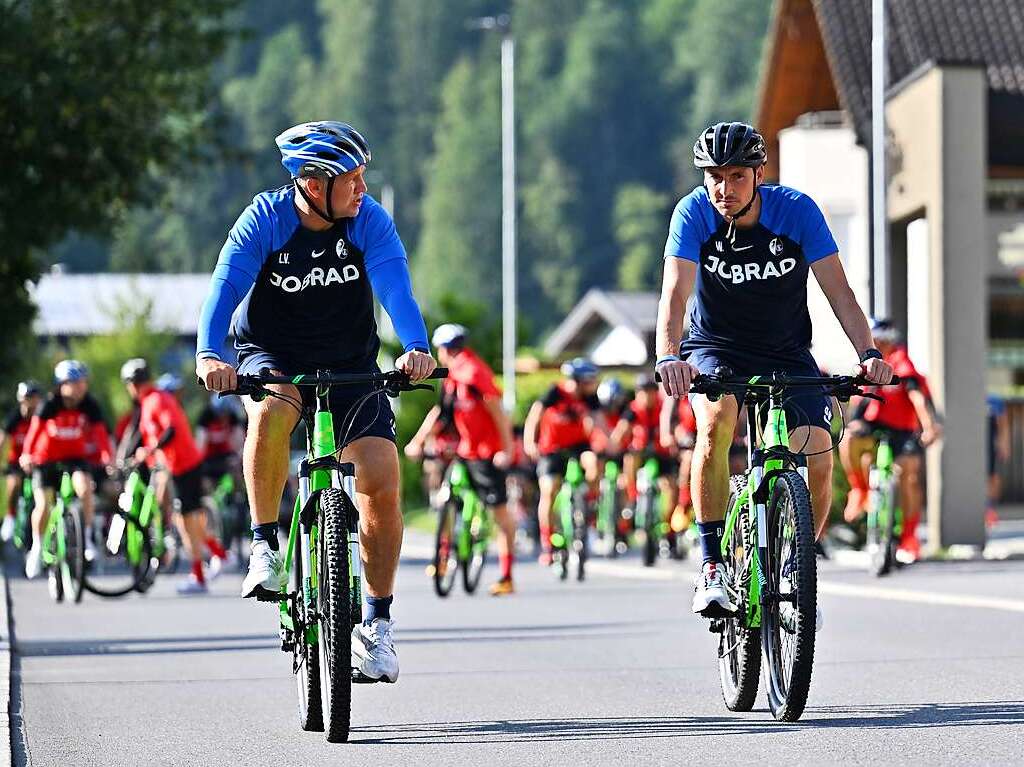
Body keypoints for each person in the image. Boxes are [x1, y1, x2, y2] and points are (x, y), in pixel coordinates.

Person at [194, 121, 435, 683]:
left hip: (350, 361)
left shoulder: (369, 222)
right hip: (274, 354)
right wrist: (210, 354)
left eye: (363, 175)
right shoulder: (265, 219)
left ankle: (375, 626)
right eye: (350, 178)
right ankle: (265, 545)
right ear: (310, 183)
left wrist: (418, 348)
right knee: (273, 410)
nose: (362, 188)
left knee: (380, 477)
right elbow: (224, 287)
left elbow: (397, 290)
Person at [655, 122, 893, 626]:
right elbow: (674, 295)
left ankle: (796, 571)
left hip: (785, 350)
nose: (724, 188)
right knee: (716, 422)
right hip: (714, 345)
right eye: (714, 176)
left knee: (820, 450)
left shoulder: (797, 211)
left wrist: (867, 352)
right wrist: (668, 356)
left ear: (759, 174)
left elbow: (839, 293)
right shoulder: (693, 212)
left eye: (736, 176)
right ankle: (714, 565)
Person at [406, 324, 517, 595]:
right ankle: (444, 556)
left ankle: (506, 575)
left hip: (487, 453)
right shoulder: (453, 375)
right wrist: (418, 441)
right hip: (466, 450)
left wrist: (507, 449)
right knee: (448, 494)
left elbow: (497, 411)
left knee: (500, 513)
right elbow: (441, 413)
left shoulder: (473, 372)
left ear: (443, 350)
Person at [122, 359, 232, 594]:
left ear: (132, 385)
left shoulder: (155, 400)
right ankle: (218, 555)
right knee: (185, 520)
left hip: (184, 465)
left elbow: (170, 430)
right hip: (179, 466)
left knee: (185, 521)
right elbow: (141, 436)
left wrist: (149, 451)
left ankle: (202, 573)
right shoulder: (152, 400)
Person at [840, 319, 942, 562]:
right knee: (849, 441)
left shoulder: (900, 360)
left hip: (902, 428)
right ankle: (860, 490)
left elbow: (917, 397)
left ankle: (909, 536)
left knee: (910, 477)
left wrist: (928, 426)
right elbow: (859, 401)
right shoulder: (867, 363)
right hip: (873, 422)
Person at [20, 361, 112, 577]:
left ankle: (86, 538)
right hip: (46, 460)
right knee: (43, 504)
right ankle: (37, 547)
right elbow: (34, 434)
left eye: (83, 383)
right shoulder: (49, 405)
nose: (81, 388)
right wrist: (26, 455)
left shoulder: (90, 404)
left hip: (74, 458)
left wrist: (107, 457)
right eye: (76, 383)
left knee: (85, 489)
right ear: (62, 385)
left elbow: (101, 435)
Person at [523, 357, 603, 566]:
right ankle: (547, 542)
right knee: (549, 491)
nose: (592, 385)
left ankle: (588, 505)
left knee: (594, 463)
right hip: (553, 448)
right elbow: (535, 415)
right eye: (588, 380)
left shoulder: (589, 398)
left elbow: (599, 422)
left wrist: (609, 442)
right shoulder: (555, 393)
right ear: (577, 380)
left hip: (578, 446)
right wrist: (530, 442)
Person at [0, 381, 42, 542]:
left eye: (33, 398)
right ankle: (10, 517)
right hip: (16, 463)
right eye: (27, 398)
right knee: (14, 483)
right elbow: (3, 439)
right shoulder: (14, 417)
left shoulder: (42, 415)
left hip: (37, 462)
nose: (30, 402)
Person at [985, 394, 1011, 528]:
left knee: (993, 477)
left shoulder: (994, 400)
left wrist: (1004, 444)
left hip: (991, 446)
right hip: (971, 447)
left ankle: (990, 510)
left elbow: (1003, 424)